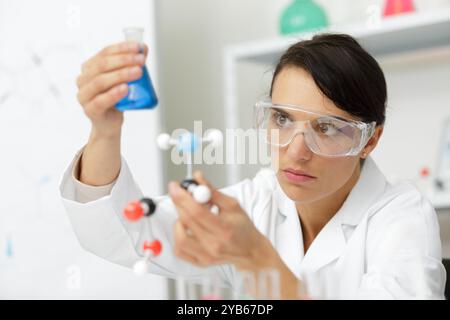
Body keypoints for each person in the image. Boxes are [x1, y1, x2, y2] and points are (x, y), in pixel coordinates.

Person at [60, 34, 446, 299]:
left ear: (370, 140)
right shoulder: (258, 201)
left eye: (325, 128)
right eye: (281, 119)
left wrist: (256, 258)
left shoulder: (401, 217)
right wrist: (105, 131)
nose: (296, 151)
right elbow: (123, 233)